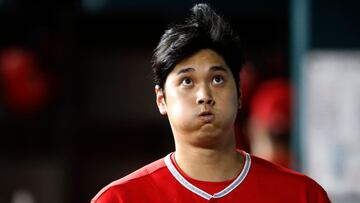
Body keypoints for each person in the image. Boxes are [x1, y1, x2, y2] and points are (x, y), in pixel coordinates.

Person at [91, 4, 331, 203]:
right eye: (187, 81)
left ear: (238, 94)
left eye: (217, 79)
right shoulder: (120, 199)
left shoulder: (303, 195)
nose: (204, 95)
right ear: (161, 99)